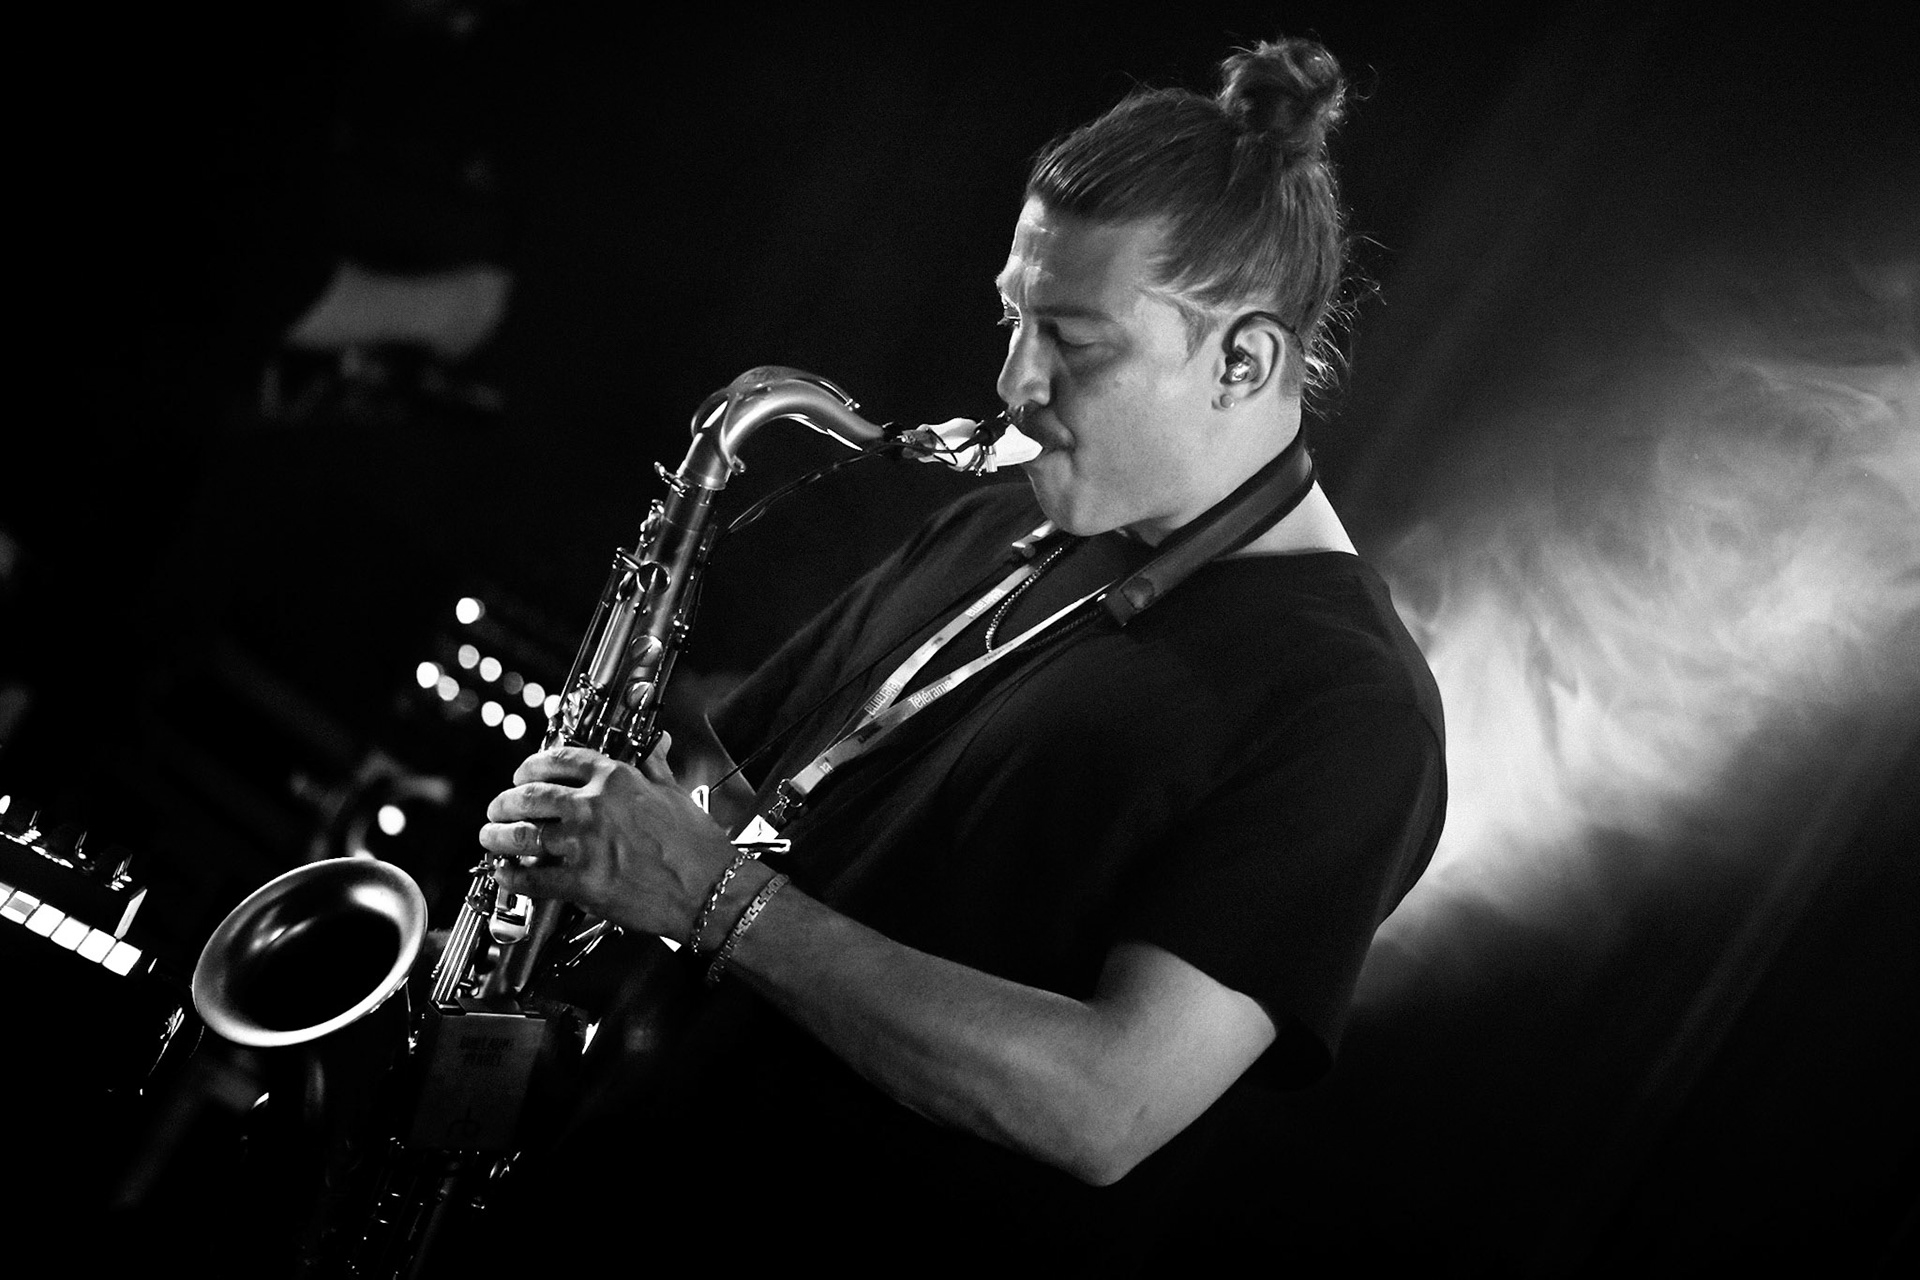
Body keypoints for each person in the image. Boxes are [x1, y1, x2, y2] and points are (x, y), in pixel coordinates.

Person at [478, 35, 1444, 1273]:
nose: (1012, 379)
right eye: (1012, 317)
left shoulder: (1351, 709)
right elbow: (746, 806)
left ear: (1243, 360)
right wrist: (606, 840)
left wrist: (713, 899)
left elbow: (1105, 1104)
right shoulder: (1002, 520)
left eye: (1073, 340)